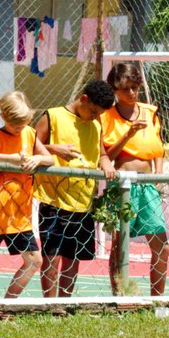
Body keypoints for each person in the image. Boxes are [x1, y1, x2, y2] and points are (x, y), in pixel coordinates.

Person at [34, 79, 116, 298]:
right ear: (84, 99)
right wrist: (53, 149)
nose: (95, 117)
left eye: (99, 114)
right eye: (93, 111)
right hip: (54, 199)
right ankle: (49, 305)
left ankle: (65, 303)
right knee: (52, 256)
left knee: (73, 257)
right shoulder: (52, 117)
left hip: (83, 202)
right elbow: (28, 146)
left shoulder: (96, 124)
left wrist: (106, 162)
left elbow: (102, 153)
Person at [99, 62, 169, 297]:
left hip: (147, 185)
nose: (131, 93)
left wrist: (159, 175)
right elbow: (106, 157)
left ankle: (157, 300)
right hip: (122, 186)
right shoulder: (106, 116)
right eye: (125, 88)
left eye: (135, 87)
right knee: (119, 246)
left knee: (162, 246)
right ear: (115, 90)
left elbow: (158, 147)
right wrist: (128, 134)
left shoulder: (150, 112)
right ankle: (119, 297)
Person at [0, 92, 49, 298]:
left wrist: (38, 159)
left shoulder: (30, 134)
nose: (19, 128)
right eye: (15, 124)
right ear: (3, 116)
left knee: (34, 260)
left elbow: (50, 159)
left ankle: (8, 301)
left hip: (19, 213)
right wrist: (9, 159)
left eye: (23, 123)